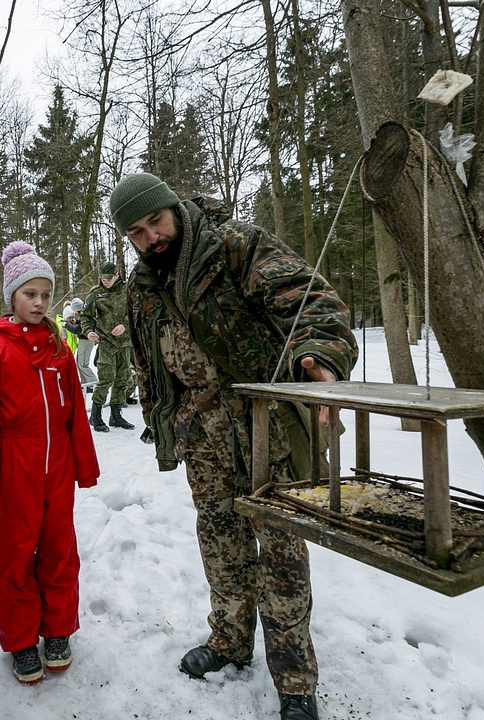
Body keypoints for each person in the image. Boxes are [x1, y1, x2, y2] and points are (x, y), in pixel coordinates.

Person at [111, 172, 357, 720]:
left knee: (282, 547)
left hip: (265, 420)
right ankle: (229, 641)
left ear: (173, 208)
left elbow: (312, 300)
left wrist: (317, 356)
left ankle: (295, 679)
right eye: (136, 232)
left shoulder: (236, 246)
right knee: (220, 537)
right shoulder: (141, 287)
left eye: (156, 221)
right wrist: (162, 418)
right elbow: (148, 360)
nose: (152, 237)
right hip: (201, 432)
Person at [0, 241, 99, 685]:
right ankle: (21, 638)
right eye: (30, 294)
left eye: (45, 294)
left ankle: (57, 629)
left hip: (56, 463)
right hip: (13, 466)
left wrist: (85, 465)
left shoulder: (59, 350)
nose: (39, 303)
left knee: (60, 548)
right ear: (12, 298)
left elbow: (75, 412)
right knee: (16, 555)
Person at [81, 261, 135, 432]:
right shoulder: (96, 294)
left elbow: (136, 310)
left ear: (117, 274)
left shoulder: (127, 290)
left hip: (124, 342)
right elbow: (86, 317)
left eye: (109, 278)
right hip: (106, 342)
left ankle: (116, 414)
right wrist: (88, 331)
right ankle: (96, 415)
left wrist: (125, 325)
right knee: (106, 378)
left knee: (123, 378)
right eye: (103, 279)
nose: (105, 281)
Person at [67, 297, 97, 391]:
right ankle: (86, 384)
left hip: (86, 341)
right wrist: (77, 322)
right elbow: (83, 324)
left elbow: (77, 330)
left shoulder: (85, 315)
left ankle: (93, 384)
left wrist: (66, 325)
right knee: (79, 363)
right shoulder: (87, 312)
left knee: (83, 364)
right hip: (84, 341)